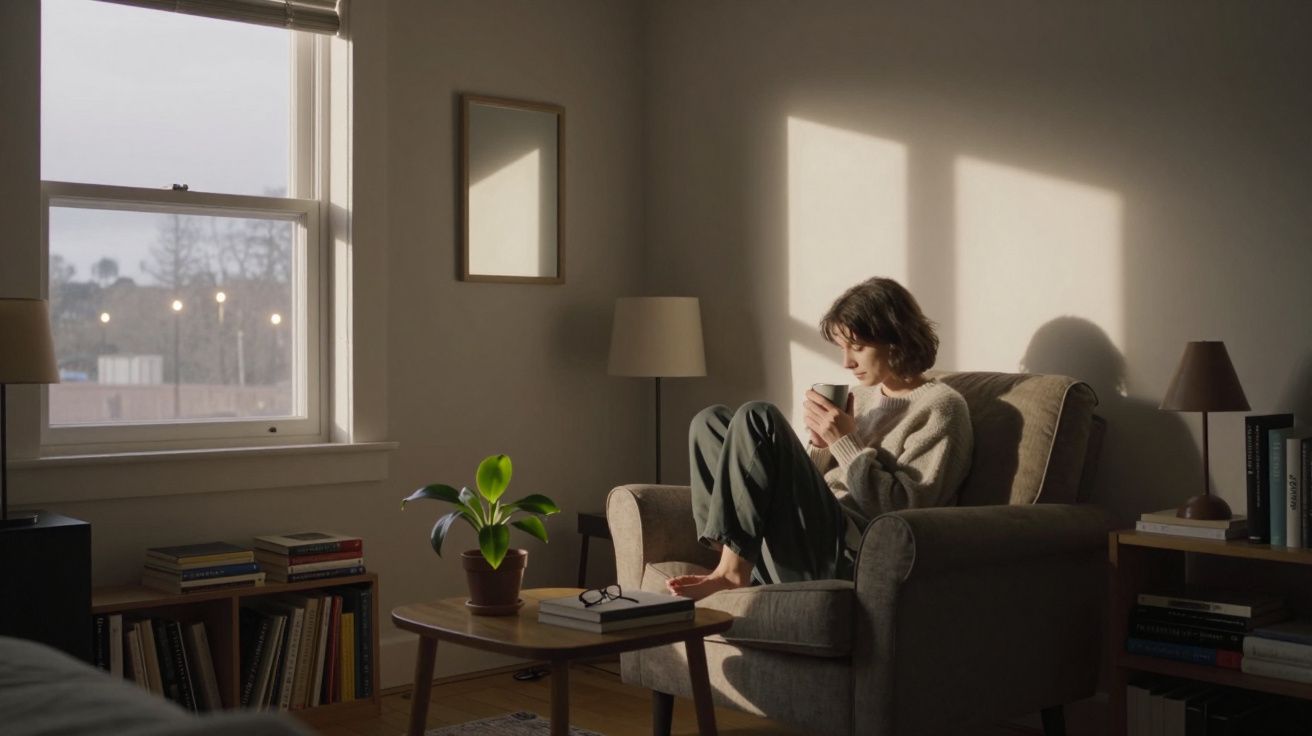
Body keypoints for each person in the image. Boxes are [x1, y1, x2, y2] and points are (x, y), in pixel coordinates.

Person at [666, 277, 974, 600]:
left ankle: (732, 574)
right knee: (710, 422)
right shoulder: (862, 398)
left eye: (857, 347)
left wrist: (845, 441)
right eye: (842, 348)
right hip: (811, 536)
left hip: (850, 552)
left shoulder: (942, 408)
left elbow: (905, 511)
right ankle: (735, 559)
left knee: (758, 417)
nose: (847, 362)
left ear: (896, 338)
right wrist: (821, 446)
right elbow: (822, 484)